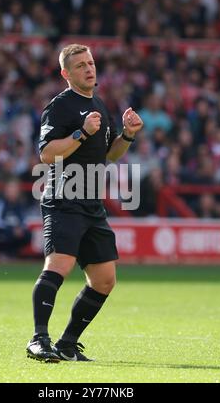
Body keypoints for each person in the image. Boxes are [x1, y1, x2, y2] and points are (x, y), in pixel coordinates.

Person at [26, 43, 143, 363]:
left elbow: (109, 154)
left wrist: (128, 136)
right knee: (58, 267)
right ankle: (39, 339)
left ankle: (67, 344)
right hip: (64, 198)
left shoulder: (100, 106)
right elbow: (47, 154)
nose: (89, 68)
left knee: (105, 280)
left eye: (90, 63)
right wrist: (80, 133)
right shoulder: (60, 107)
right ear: (66, 74)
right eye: (80, 65)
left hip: (92, 203)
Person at [0, 179, 32, 259]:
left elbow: (25, 221)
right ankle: (3, 253)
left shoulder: (20, 205)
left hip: (16, 232)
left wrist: (20, 229)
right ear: (5, 191)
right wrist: (11, 230)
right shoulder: (0, 204)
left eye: (14, 190)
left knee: (27, 234)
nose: (12, 192)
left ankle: (14, 253)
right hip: (3, 232)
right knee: (2, 236)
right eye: (10, 189)